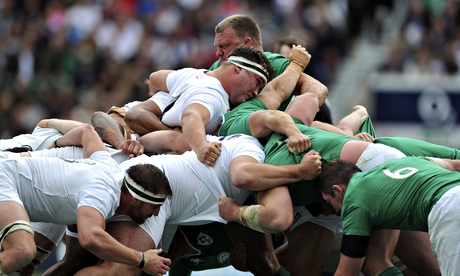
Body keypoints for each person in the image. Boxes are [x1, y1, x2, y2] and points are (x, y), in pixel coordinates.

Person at [40, 131, 322, 276]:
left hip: (133, 183)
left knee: (74, 263)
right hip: (149, 193)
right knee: (120, 271)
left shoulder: (229, 150)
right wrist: (299, 172)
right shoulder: (248, 149)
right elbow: (269, 211)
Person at [0, 124, 172, 275]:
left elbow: (86, 131)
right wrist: (141, 259)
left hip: (9, 178)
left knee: (19, 267)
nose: (157, 213)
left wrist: (53, 147)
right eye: (155, 206)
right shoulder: (104, 193)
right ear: (136, 199)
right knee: (21, 252)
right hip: (5, 177)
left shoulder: (108, 166)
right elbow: (90, 237)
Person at [318, 157, 460, 276]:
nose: (335, 211)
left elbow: (346, 273)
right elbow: (454, 164)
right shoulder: (403, 161)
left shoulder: (353, 201)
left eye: (329, 201)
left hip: (447, 209)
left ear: (338, 190)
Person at [273, 34, 334, 125]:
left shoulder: (318, 97)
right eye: (284, 60)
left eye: (297, 61)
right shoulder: (263, 90)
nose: (291, 66)